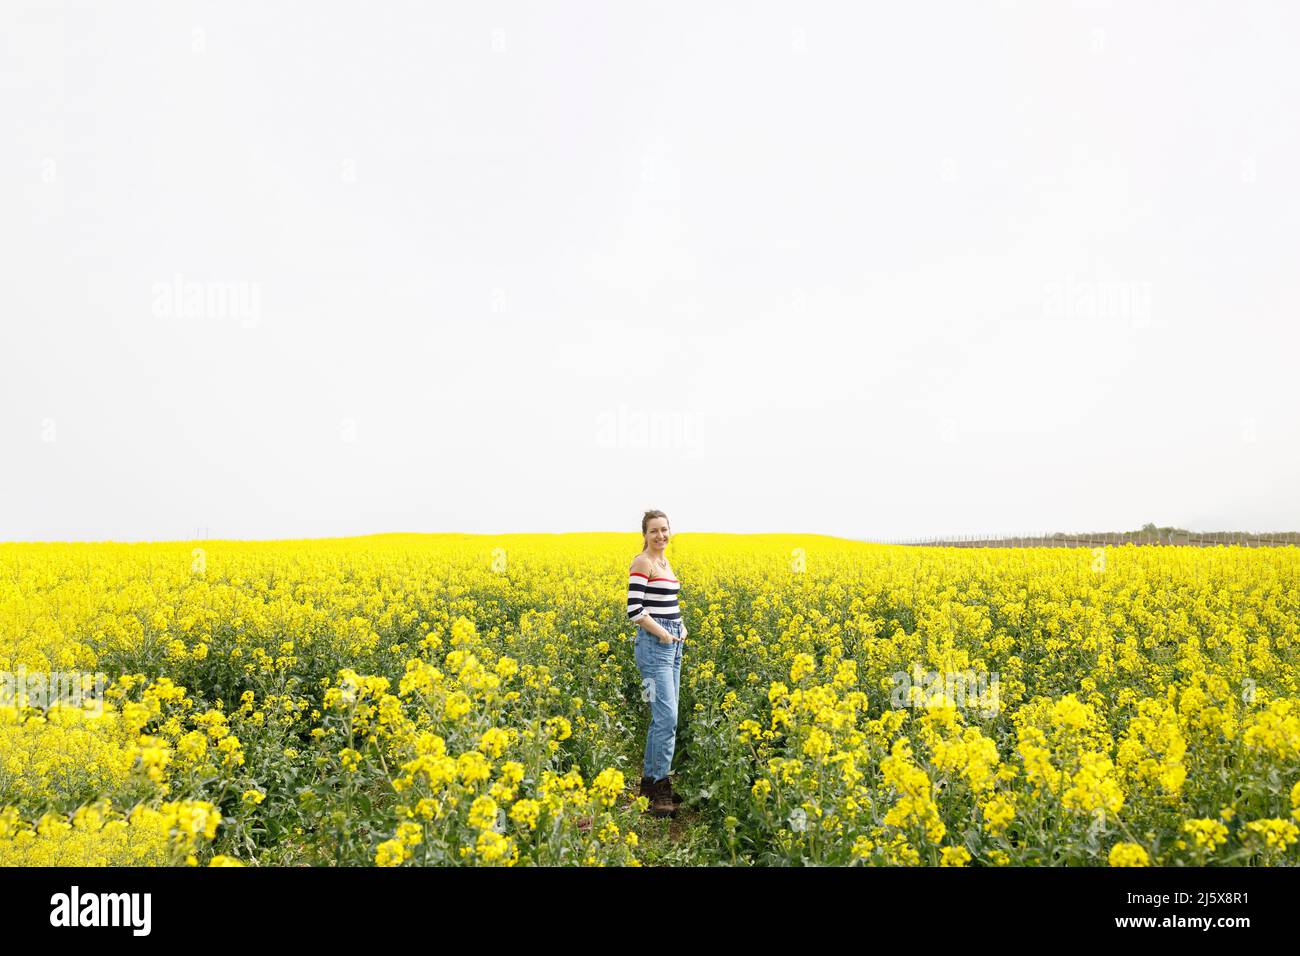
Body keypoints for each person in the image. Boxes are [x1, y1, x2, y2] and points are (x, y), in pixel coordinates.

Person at [626, 509, 687, 817]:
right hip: (654, 647)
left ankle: (650, 787)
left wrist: (681, 625)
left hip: (673, 645)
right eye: (654, 531)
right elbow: (634, 610)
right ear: (645, 535)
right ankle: (660, 790)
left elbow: (668, 603)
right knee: (667, 719)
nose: (661, 535)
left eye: (664, 529)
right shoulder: (643, 562)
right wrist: (664, 633)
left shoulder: (664, 561)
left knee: (662, 718)